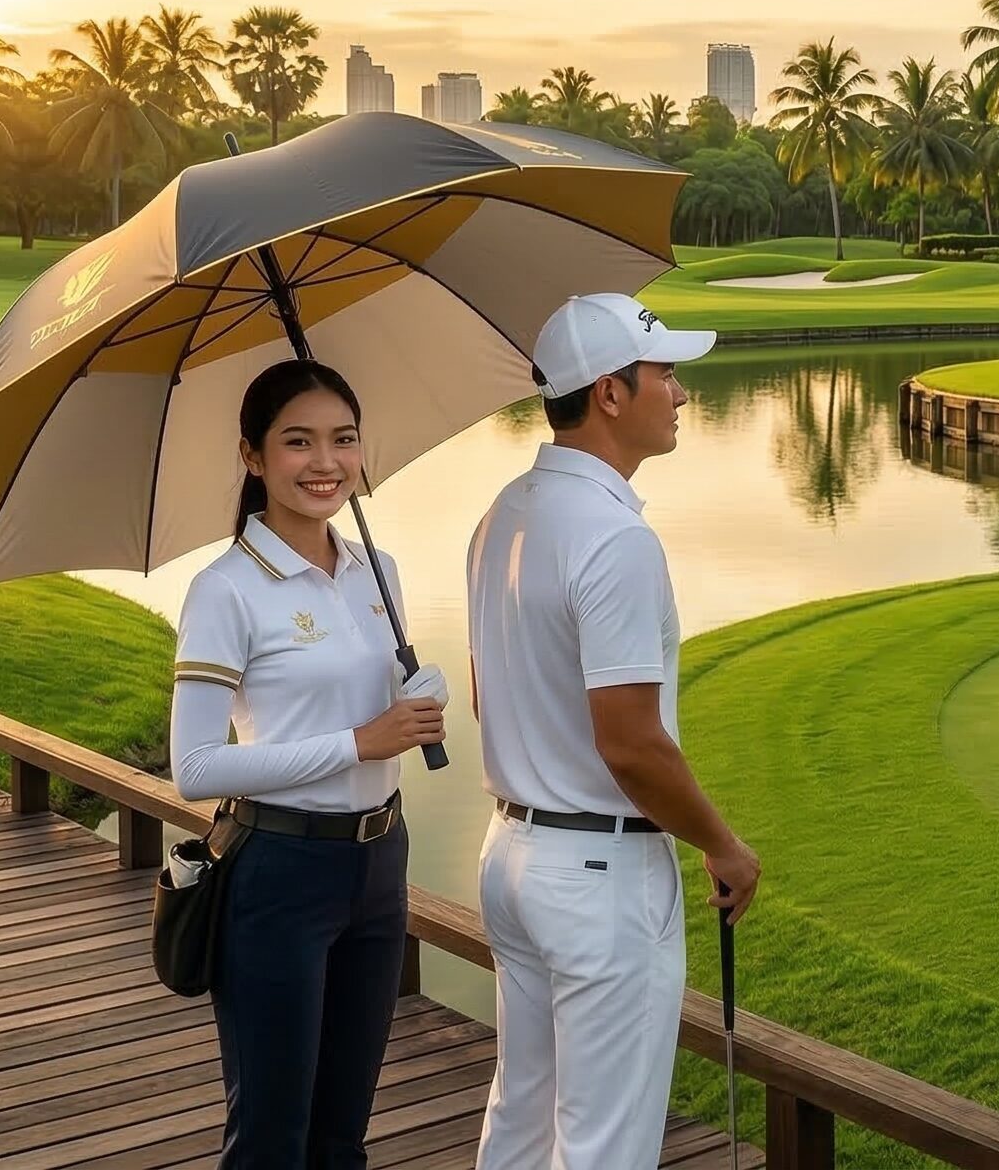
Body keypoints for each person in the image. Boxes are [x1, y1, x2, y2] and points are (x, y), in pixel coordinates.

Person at [469, 293, 762, 1170]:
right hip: (598, 878)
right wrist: (723, 846)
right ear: (609, 391)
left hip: (512, 859)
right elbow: (631, 744)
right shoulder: (614, 539)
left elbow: (492, 701)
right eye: (666, 374)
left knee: (521, 1118)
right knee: (605, 1148)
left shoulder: (505, 512)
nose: (679, 394)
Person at [168, 358, 449, 1169]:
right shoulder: (225, 590)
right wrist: (362, 741)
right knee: (271, 1137)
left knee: (341, 1136)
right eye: (298, 441)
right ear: (253, 457)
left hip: (379, 860)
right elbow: (195, 766)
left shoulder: (377, 571)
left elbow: (371, 709)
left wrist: (415, 691)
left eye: (343, 439)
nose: (325, 462)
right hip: (279, 872)